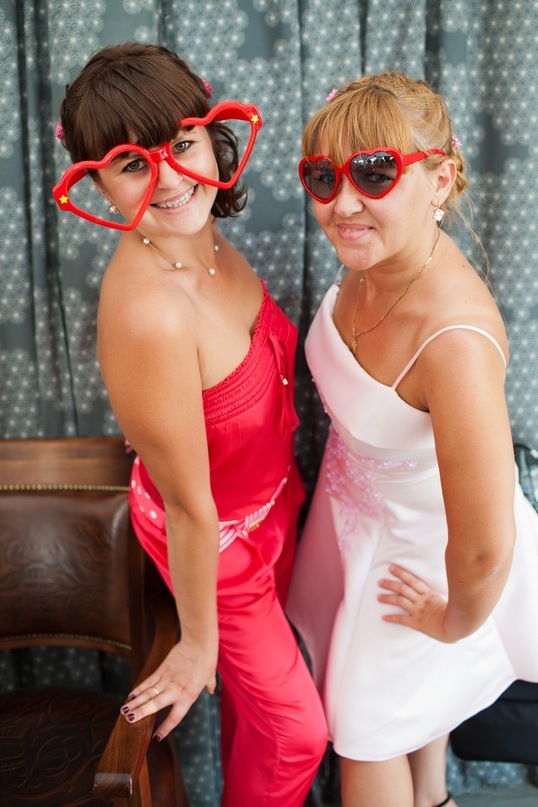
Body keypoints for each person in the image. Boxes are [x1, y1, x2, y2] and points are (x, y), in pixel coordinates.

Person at [53, 42, 327, 807]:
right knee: (297, 732)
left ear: (211, 135)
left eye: (180, 144)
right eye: (132, 164)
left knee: (261, 719)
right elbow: (187, 502)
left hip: (275, 504)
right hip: (211, 537)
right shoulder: (150, 313)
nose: (171, 179)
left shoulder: (201, 237)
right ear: (95, 182)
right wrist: (199, 641)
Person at [286, 71, 538, 807]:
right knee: (407, 714)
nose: (342, 203)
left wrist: (452, 620)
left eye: (375, 173)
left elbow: (484, 544)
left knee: (365, 734)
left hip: (427, 559)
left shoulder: (453, 341)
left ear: (440, 179)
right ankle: (433, 797)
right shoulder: (376, 257)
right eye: (323, 176)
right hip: (358, 519)